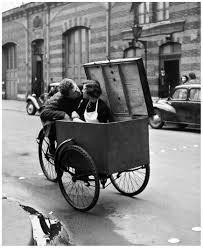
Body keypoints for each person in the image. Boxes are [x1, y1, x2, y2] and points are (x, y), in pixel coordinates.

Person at [40, 78, 82, 154]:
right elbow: (43, 113)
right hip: (51, 111)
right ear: (67, 96)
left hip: (70, 112)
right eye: (73, 93)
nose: (77, 92)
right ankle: (52, 145)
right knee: (53, 127)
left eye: (76, 88)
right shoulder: (58, 99)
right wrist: (63, 114)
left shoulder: (81, 89)